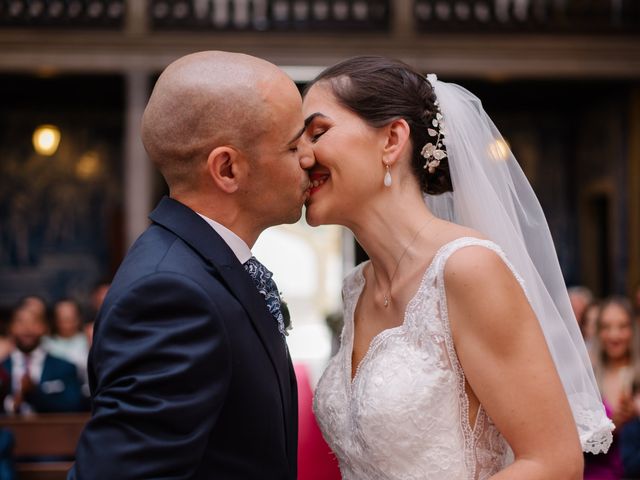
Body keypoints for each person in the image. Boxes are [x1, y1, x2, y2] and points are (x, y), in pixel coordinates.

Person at [303, 56, 612, 479]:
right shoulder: (356, 287)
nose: (302, 155)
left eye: (317, 132)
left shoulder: (467, 268)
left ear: (392, 140)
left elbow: (553, 463)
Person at [69, 51, 314, 479]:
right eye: (294, 145)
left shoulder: (203, 265)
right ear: (227, 168)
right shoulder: (170, 294)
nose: (309, 158)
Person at [585, 296, 639, 479]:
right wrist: (613, 425)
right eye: (606, 327)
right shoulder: (588, 379)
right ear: (598, 332)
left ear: (633, 329)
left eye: (622, 326)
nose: (614, 335)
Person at [2, 305, 84, 414]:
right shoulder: (2, 367)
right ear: (10, 328)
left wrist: (34, 392)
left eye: (34, 322)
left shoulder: (65, 367)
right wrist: (12, 404)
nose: (27, 328)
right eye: (20, 322)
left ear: (45, 327)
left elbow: (73, 405)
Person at [43, 299, 89, 374]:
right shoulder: (45, 343)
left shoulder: (88, 340)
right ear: (55, 320)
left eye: (71, 318)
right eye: (62, 318)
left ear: (79, 318)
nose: (67, 322)